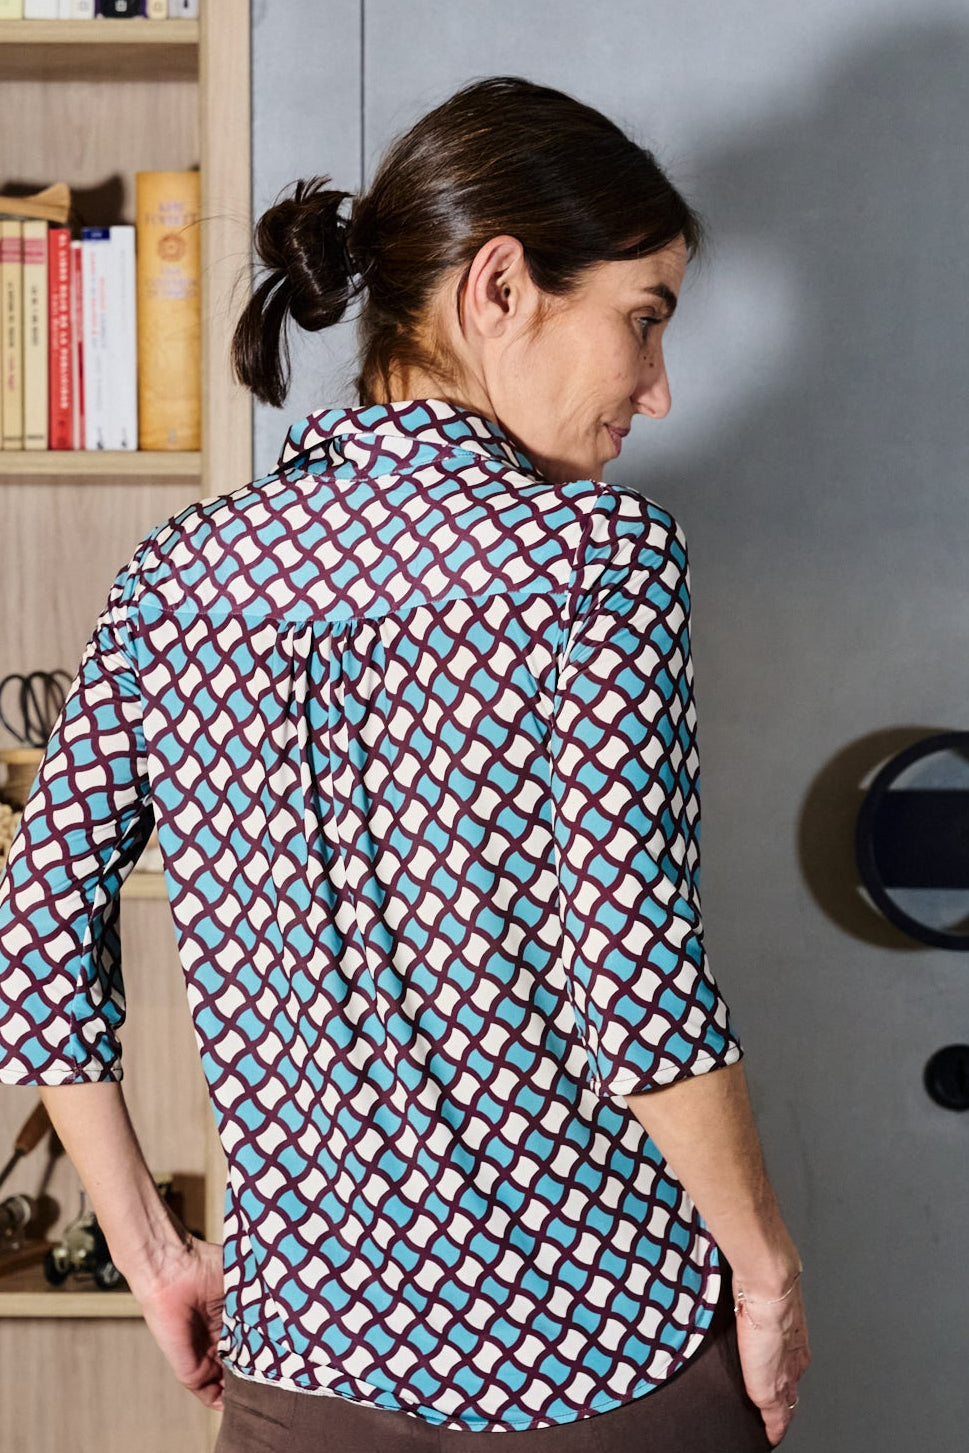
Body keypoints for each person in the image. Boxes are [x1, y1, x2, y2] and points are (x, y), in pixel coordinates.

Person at [0, 75, 809, 1451]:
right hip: (604, 1358)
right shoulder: (596, 560)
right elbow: (638, 978)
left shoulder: (179, 576)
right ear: (499, 286)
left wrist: (151, 1253)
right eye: (643, 318)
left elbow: (34, 927)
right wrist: (767, 1269)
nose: (657, 391)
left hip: (302, 1373)